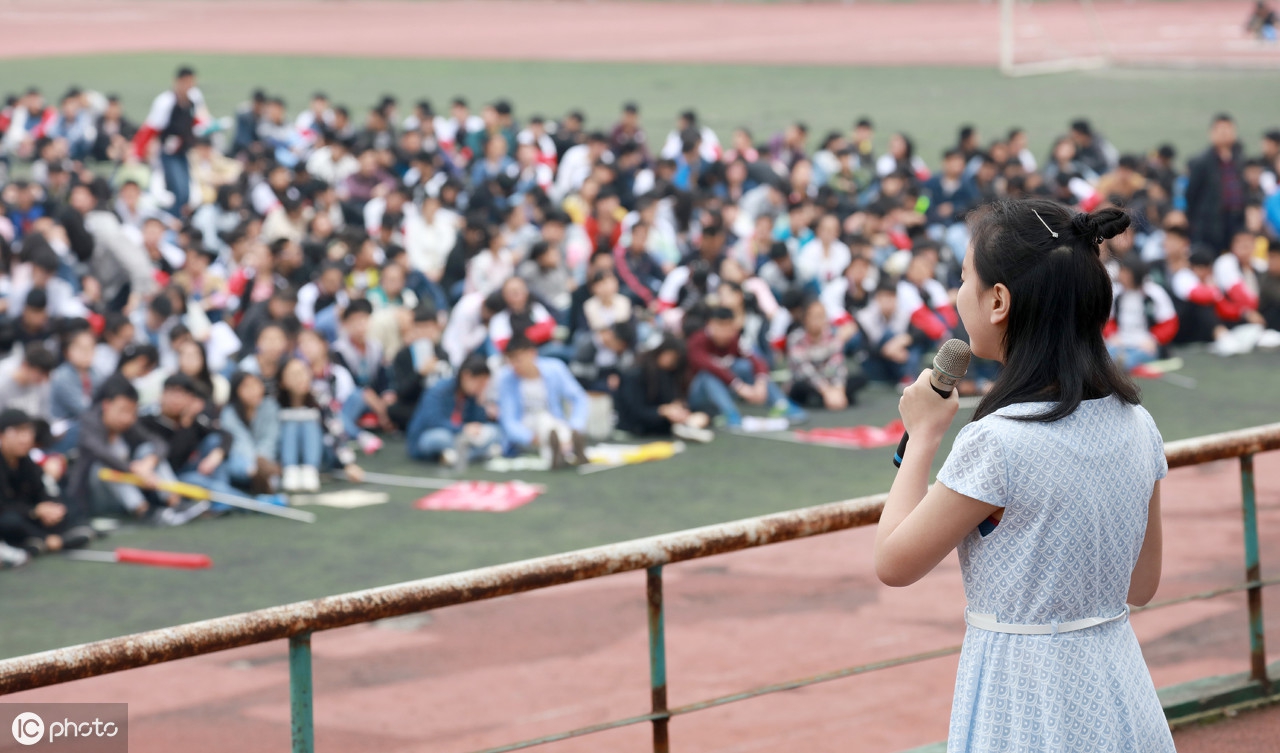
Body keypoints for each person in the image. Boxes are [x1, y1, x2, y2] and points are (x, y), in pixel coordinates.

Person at [874, 199, 1173, 752]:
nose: (956, 294)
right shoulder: (1138, 424)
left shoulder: (997, 441)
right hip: (1119, 688)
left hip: (1022, 697)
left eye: (963, 279)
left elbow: (893, 562)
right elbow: (1142, 584)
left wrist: (921, 437)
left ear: (998, 301)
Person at [64, 375, 176, 520]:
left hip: (129, 490)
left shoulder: (128, 423)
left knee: (147, 450)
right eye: (123, 410)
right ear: (106, 405)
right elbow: (102, 453)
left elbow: (158, 443)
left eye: (132, 412)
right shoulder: (89, 423)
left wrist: (149, 463)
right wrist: (134, 469)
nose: (127, 418)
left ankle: (174, 502)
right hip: (95, 498)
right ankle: (144, 511)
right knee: (107, 467)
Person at [686, 307, 807, 428]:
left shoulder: (735, 340)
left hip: (726, 390)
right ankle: (730, 414)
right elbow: (711, 367)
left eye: (728, 326)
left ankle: (781, 404)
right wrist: (739, 387)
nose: (725, 331)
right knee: (708, 376)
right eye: (720, 326)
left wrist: (761, 383)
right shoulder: (697, 341)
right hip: (699, 397)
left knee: (744, 366)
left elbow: (756, 360)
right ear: (710, 325)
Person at [0, 409, 94, 557]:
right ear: (2, 435)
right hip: (15, 517)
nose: (24, 439)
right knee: (9, 522)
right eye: (18, 432)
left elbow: (43, 487)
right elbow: (4, 506)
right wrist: (34, 511)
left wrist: (50, 507)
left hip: (31, 516)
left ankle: (38, 542)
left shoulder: (26, 461)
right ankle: (50, 540)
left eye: (28, 431)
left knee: (64, 501)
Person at [496, 334, 590, 468]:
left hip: (555, 422)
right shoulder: (506, 378)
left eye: (518, 359)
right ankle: (569, 449)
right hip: (527, 428)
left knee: (552, 425)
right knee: (545, 423)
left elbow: (579, 397)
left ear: (532, 354)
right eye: (510, 360)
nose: (514, 365)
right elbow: (509, 420)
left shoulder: (555, 368)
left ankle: (564, 447)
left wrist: (576, 425)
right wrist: (530, 438)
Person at [132, 66, 210, 213]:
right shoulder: (165, 102)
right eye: (185, 82)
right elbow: (150, 129)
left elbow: (198, 120)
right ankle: (172, 221)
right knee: (177, 191)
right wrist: (137, 153)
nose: (189, 86)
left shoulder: (195, 98)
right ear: (177, 82)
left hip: (184, 151)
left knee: (186, 192)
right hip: (168, 153)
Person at [406, 353, 500, 468]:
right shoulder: (439, 389)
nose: (481, 387)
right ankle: (476, 454)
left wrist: (480, 403)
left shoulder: (472, 396)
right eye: (480, 383)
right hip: (431, 436)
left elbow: (478, 422)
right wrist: (463, 429)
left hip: (460, 439)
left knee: (494, 432)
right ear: (466, 376)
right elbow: (433, 421)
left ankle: (453, 456)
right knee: (442, 437)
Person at [614, 335, 713, 443]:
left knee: (703, 413)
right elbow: (635, 411)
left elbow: (671, 399)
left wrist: (677, 407)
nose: (674, 362)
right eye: (672, 357)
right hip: (636, 425)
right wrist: (663, 411)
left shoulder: (667, 373)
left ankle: (690, 427)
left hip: (662, 420)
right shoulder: (635, 373)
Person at [786, 298, 863, 410]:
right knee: (799, 387)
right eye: (815, 316)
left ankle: (836, 397)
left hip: (829, 378)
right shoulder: (795, 338)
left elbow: (837, 364)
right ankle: (829, 398)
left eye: (822, 316)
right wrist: (826, 391)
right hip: (810, 382)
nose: (819, 320)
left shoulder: (832, 336)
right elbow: (805, 370)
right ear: (805, 318)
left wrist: (839, 389)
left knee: (859, 378)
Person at [220, 371, 281, 494]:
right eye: (247, 386)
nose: (253, 390)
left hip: (266, 458)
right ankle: (256, 476)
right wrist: (255, 465)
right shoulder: (229, 413)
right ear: (237, 390)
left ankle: (263, 480)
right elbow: (240, 442)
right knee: (233, 463)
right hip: (243, 461)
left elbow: (270, 439)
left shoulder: (270, 406)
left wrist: (261, 459)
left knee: (271, 473)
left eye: (256, 385)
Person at [276, 358, 325, 492]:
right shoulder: (275, 405)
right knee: (291, 422)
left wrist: (347, 462)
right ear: (283, 381)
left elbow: (336, 429)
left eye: (304, 372)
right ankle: (290, 470)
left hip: (320, 452)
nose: (301, 378)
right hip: (284, 456)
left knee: (308, 419)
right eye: (294, 375)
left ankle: (310, 470)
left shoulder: (320, 398)